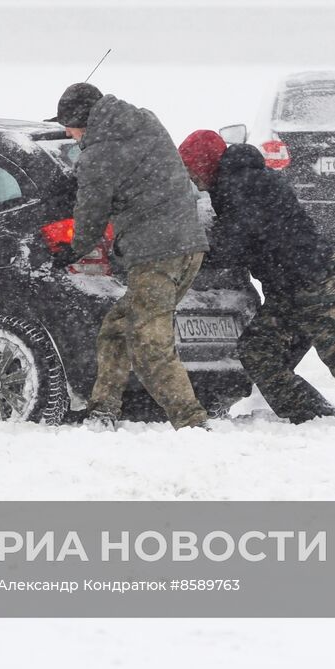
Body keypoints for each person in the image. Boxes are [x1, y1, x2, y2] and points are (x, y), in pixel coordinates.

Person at [177, 129, 335, 430]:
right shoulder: (234, 181)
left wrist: (190, 254)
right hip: (288, 287)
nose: (192, 179)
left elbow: (232, 243)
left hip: (314, 278)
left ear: (205, 163)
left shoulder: (243, 184)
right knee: (258, 351)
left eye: (191, 170)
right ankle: (313, 416)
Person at [47, 82, 211, 430]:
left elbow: (91, 211)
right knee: (117, 328)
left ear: (82, 120)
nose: (67, 132)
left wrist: (73, 249)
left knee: (149, 344)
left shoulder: (99, 154)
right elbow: (142, 175)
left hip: (157, 255)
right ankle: (103, 410)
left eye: (68, 125)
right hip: (190, 246)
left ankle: (192, 423)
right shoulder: (146, 123)